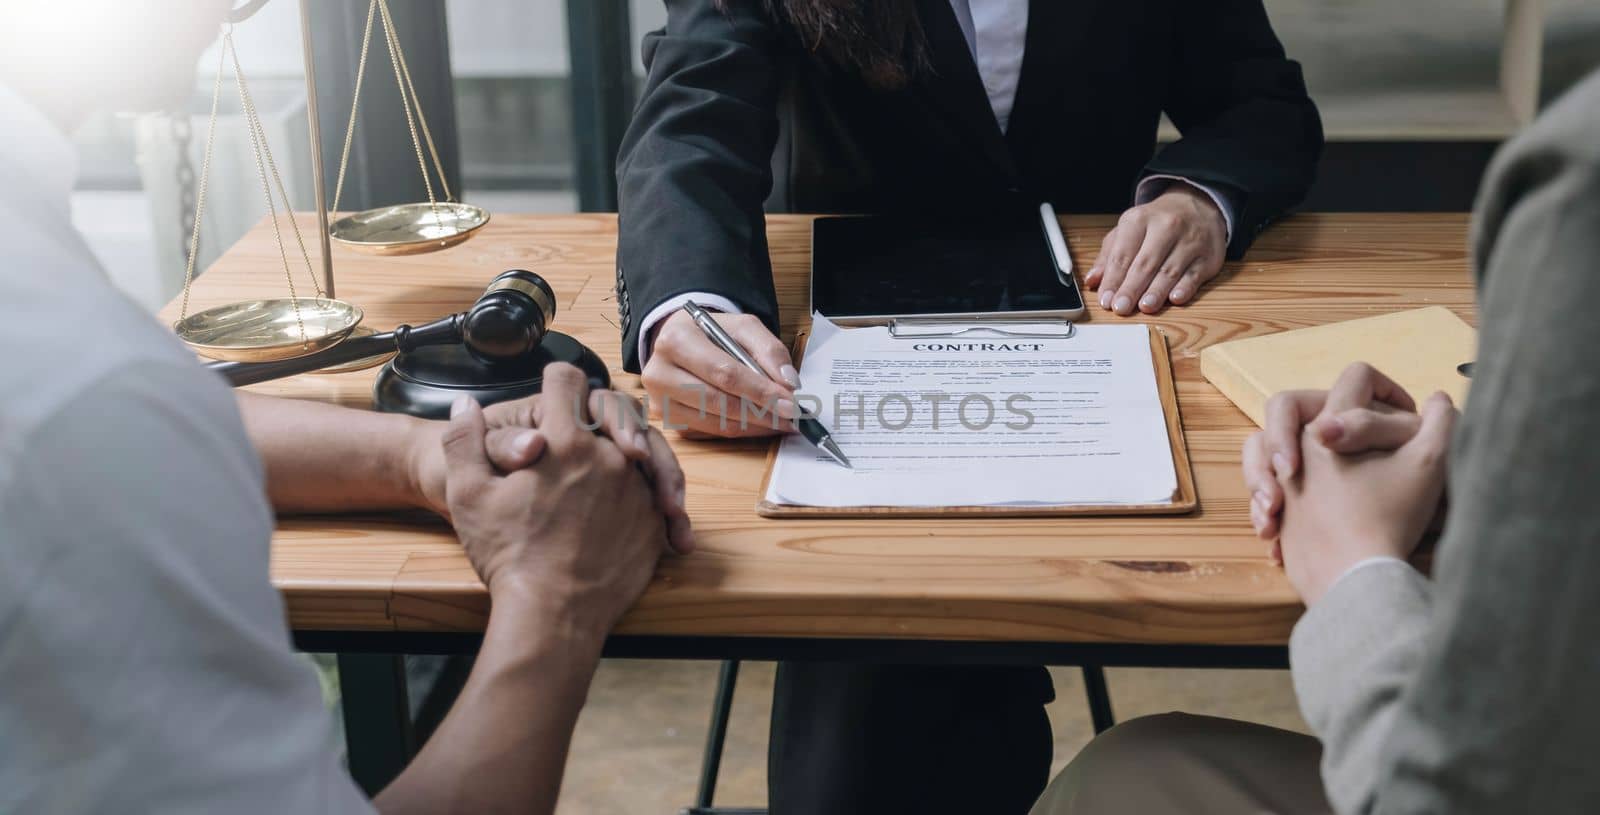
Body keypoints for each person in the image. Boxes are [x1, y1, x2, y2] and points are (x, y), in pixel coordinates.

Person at [615, 1, 1322, 812]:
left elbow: (1262, 103)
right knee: (876, 671)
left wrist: (1202, 197)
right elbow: (689, 122)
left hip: (1105, 340)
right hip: (852, 372)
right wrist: (685, 303)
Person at [0, 4, 691, 813]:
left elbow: (120, 433)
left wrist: (422, 457)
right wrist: (556, 598)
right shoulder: (77, 397)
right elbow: (90, 427)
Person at [1028, 67, 1600, 815]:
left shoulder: (1576, 187)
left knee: (1115, 786)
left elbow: (1452, 790)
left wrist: (1352, 566)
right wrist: (1495, 472)